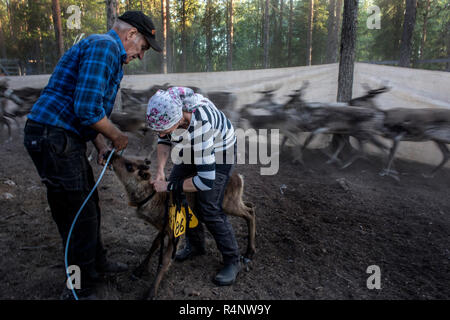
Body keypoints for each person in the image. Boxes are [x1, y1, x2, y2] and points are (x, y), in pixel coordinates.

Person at [23, 11, 162, 299]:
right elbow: (86, 109)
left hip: (59, 136)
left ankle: (96, 263)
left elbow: (88, 111)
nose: (141, 54)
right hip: (55, 136)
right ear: (131, 34)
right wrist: (116, 136)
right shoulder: (105, 47)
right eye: (143, 47)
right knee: (78, 213)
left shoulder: (106, 49)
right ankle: (79, 287)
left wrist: (101, 145)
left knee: (86, 204)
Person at [147, 87, 241, 286]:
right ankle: (196, 245)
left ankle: (233, 260)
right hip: (193, 146)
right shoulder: (170, 106)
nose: (160, 134)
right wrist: (161, 170)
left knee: (208, 206)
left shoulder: (201, 124)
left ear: (178, 120)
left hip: (220, 149)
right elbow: (163, 138)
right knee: (178, 197)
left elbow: (205, 181)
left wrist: (169, 185)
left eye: (163, 129)